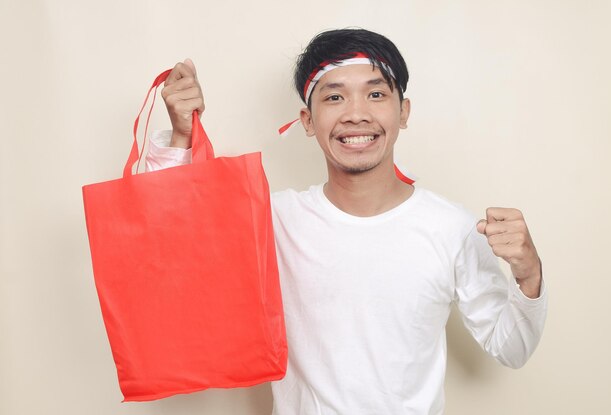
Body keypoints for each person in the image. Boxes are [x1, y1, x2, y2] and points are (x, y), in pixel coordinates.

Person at [146, 28, 547, 415]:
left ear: (403, 112)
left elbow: (511, 348)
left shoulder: (451, 227)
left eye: (375, 94)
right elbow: (176, 246)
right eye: (334, 97)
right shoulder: (274, 221)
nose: (356, 114)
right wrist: (183, 134)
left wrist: (529, 276)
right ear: (307, 121)